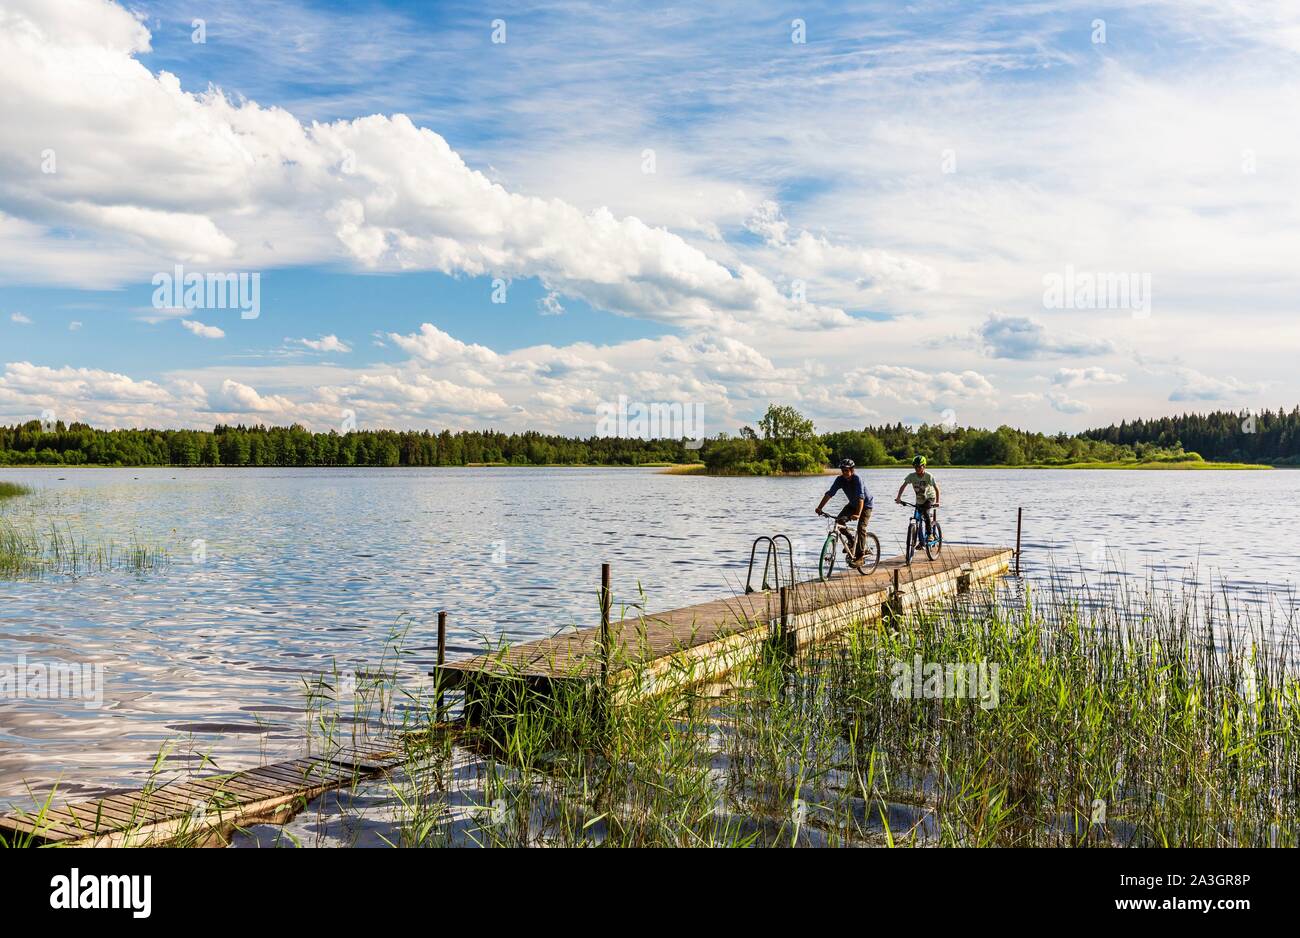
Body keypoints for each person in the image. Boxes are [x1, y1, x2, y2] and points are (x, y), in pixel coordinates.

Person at [815, 458, 872, 566]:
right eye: (843, 470)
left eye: (846, 470)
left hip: (865, 505)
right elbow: (830, 494)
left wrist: (858, 514)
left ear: (852, 470)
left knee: (861, 527)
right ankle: (851, 540)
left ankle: (860, 556)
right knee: (839, 522)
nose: (844, 473)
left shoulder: (857, 479)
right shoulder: (840, 480)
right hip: (852, 504)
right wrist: (819, 508)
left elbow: (861, 498)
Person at [895, 455, 940, 544]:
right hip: (919, 499)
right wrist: (898, 498)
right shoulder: (911, 476)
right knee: (917, 518)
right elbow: (903, 486)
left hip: (929, 498)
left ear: (924, 466)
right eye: (915, 466)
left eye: (919, 466)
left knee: (926, 514)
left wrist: (938, 501)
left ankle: (930, 534)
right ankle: (921, 541)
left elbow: (937, 488)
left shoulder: (928, 476)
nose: (917, 468)